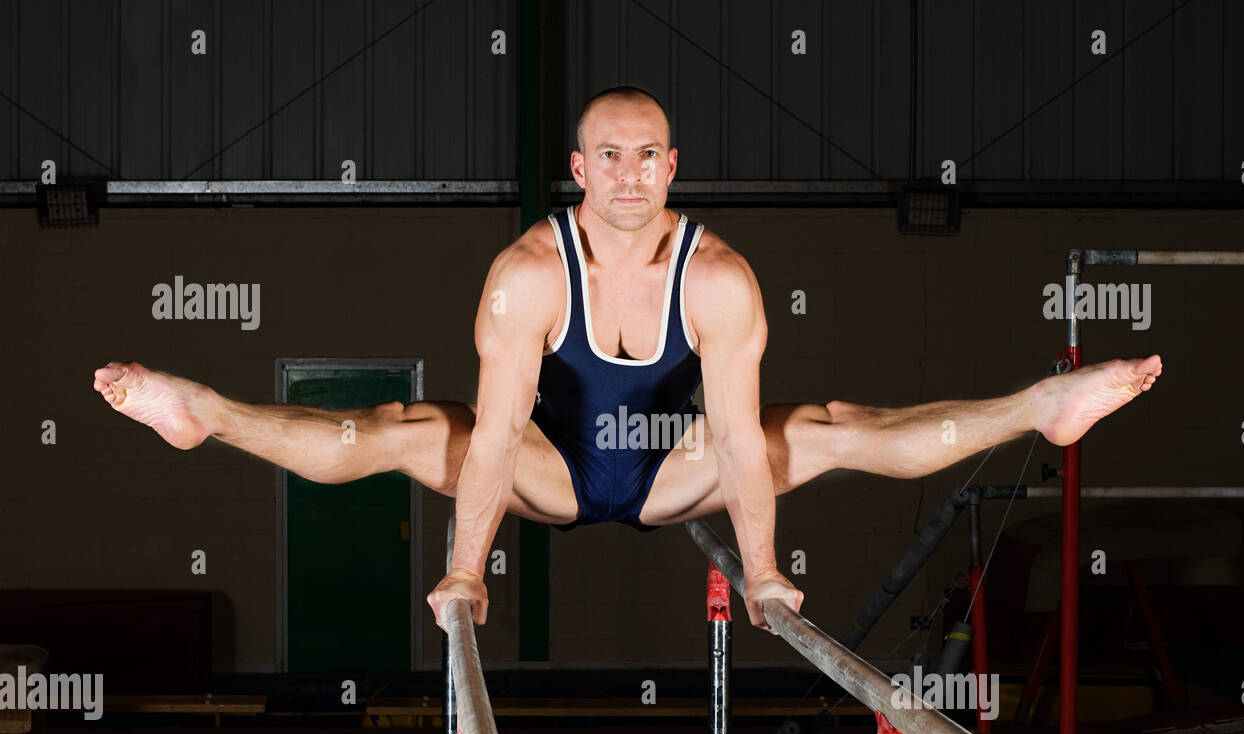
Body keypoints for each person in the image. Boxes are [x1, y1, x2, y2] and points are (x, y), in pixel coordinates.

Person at [93, 85, 1162, 636]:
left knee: (826, 427)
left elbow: (739, 439)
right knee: (405, 431)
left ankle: (1039, 403)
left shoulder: (721, 278)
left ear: (671, 166)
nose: (628, 174)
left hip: (670, 471)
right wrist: (467, 568)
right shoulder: (525, 276)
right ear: (577, 168)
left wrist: (758, 571)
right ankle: (211, 414)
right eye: (607, 155)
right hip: (545, 472)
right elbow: (503, 432)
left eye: (647, 155)